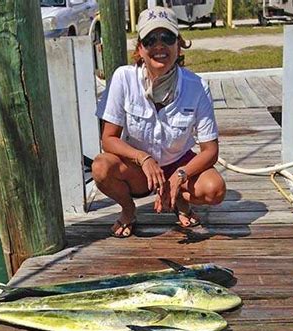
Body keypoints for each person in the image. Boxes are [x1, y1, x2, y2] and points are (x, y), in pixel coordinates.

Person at [92, 6, 226, 238]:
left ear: (179, 44)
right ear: (140, 49)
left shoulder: (197, 87)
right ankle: (128, 209)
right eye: (150, 39)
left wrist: (180, 175)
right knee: (101, 167)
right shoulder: (123, 78)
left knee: (215, 190)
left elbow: (210, 151)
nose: (159, 45)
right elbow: (108, 139)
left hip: (178, 161)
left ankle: (179, 201)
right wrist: (143, 158)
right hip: (139, 169)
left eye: (167, 37)